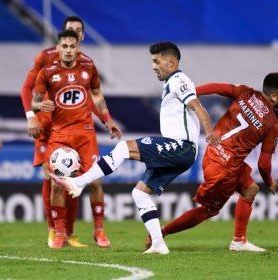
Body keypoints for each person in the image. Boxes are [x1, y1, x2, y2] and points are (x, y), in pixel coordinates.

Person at [50, 41, 220, 254]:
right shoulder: (171, 83)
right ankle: (158, 244)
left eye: (157, 61)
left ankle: (78, 183)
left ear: (171, 62)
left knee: (123, 148)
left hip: (181, 147)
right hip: (180, 152)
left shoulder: (179, 80)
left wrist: (210, 131)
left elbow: (198, 107)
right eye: (152, 62)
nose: (153, 66)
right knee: (140, 194)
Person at [146, 73, 278, 252]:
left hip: (214, 150)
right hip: (224, 168)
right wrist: (270, 182)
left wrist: (192, 93)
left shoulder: (246, 92)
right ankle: (161, 232)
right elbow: (263, 164)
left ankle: (239, 240)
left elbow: (217, 87)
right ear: (273, 97)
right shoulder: (272, 125)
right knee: (209, 210)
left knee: (250, 190)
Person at [21, 16, 119, 248]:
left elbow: (93, 95)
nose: (68, 47)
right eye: (65, 40)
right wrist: (32, 115)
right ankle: (55, 231)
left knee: (87, 179)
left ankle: (79, 232)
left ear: (80, 40)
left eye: (75, 36)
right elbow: (28, 90)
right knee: (54, 178)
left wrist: (106, 119)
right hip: (50, 127)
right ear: (59, 42)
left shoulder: (88, 65)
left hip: (83, 131)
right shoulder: (46, 62)